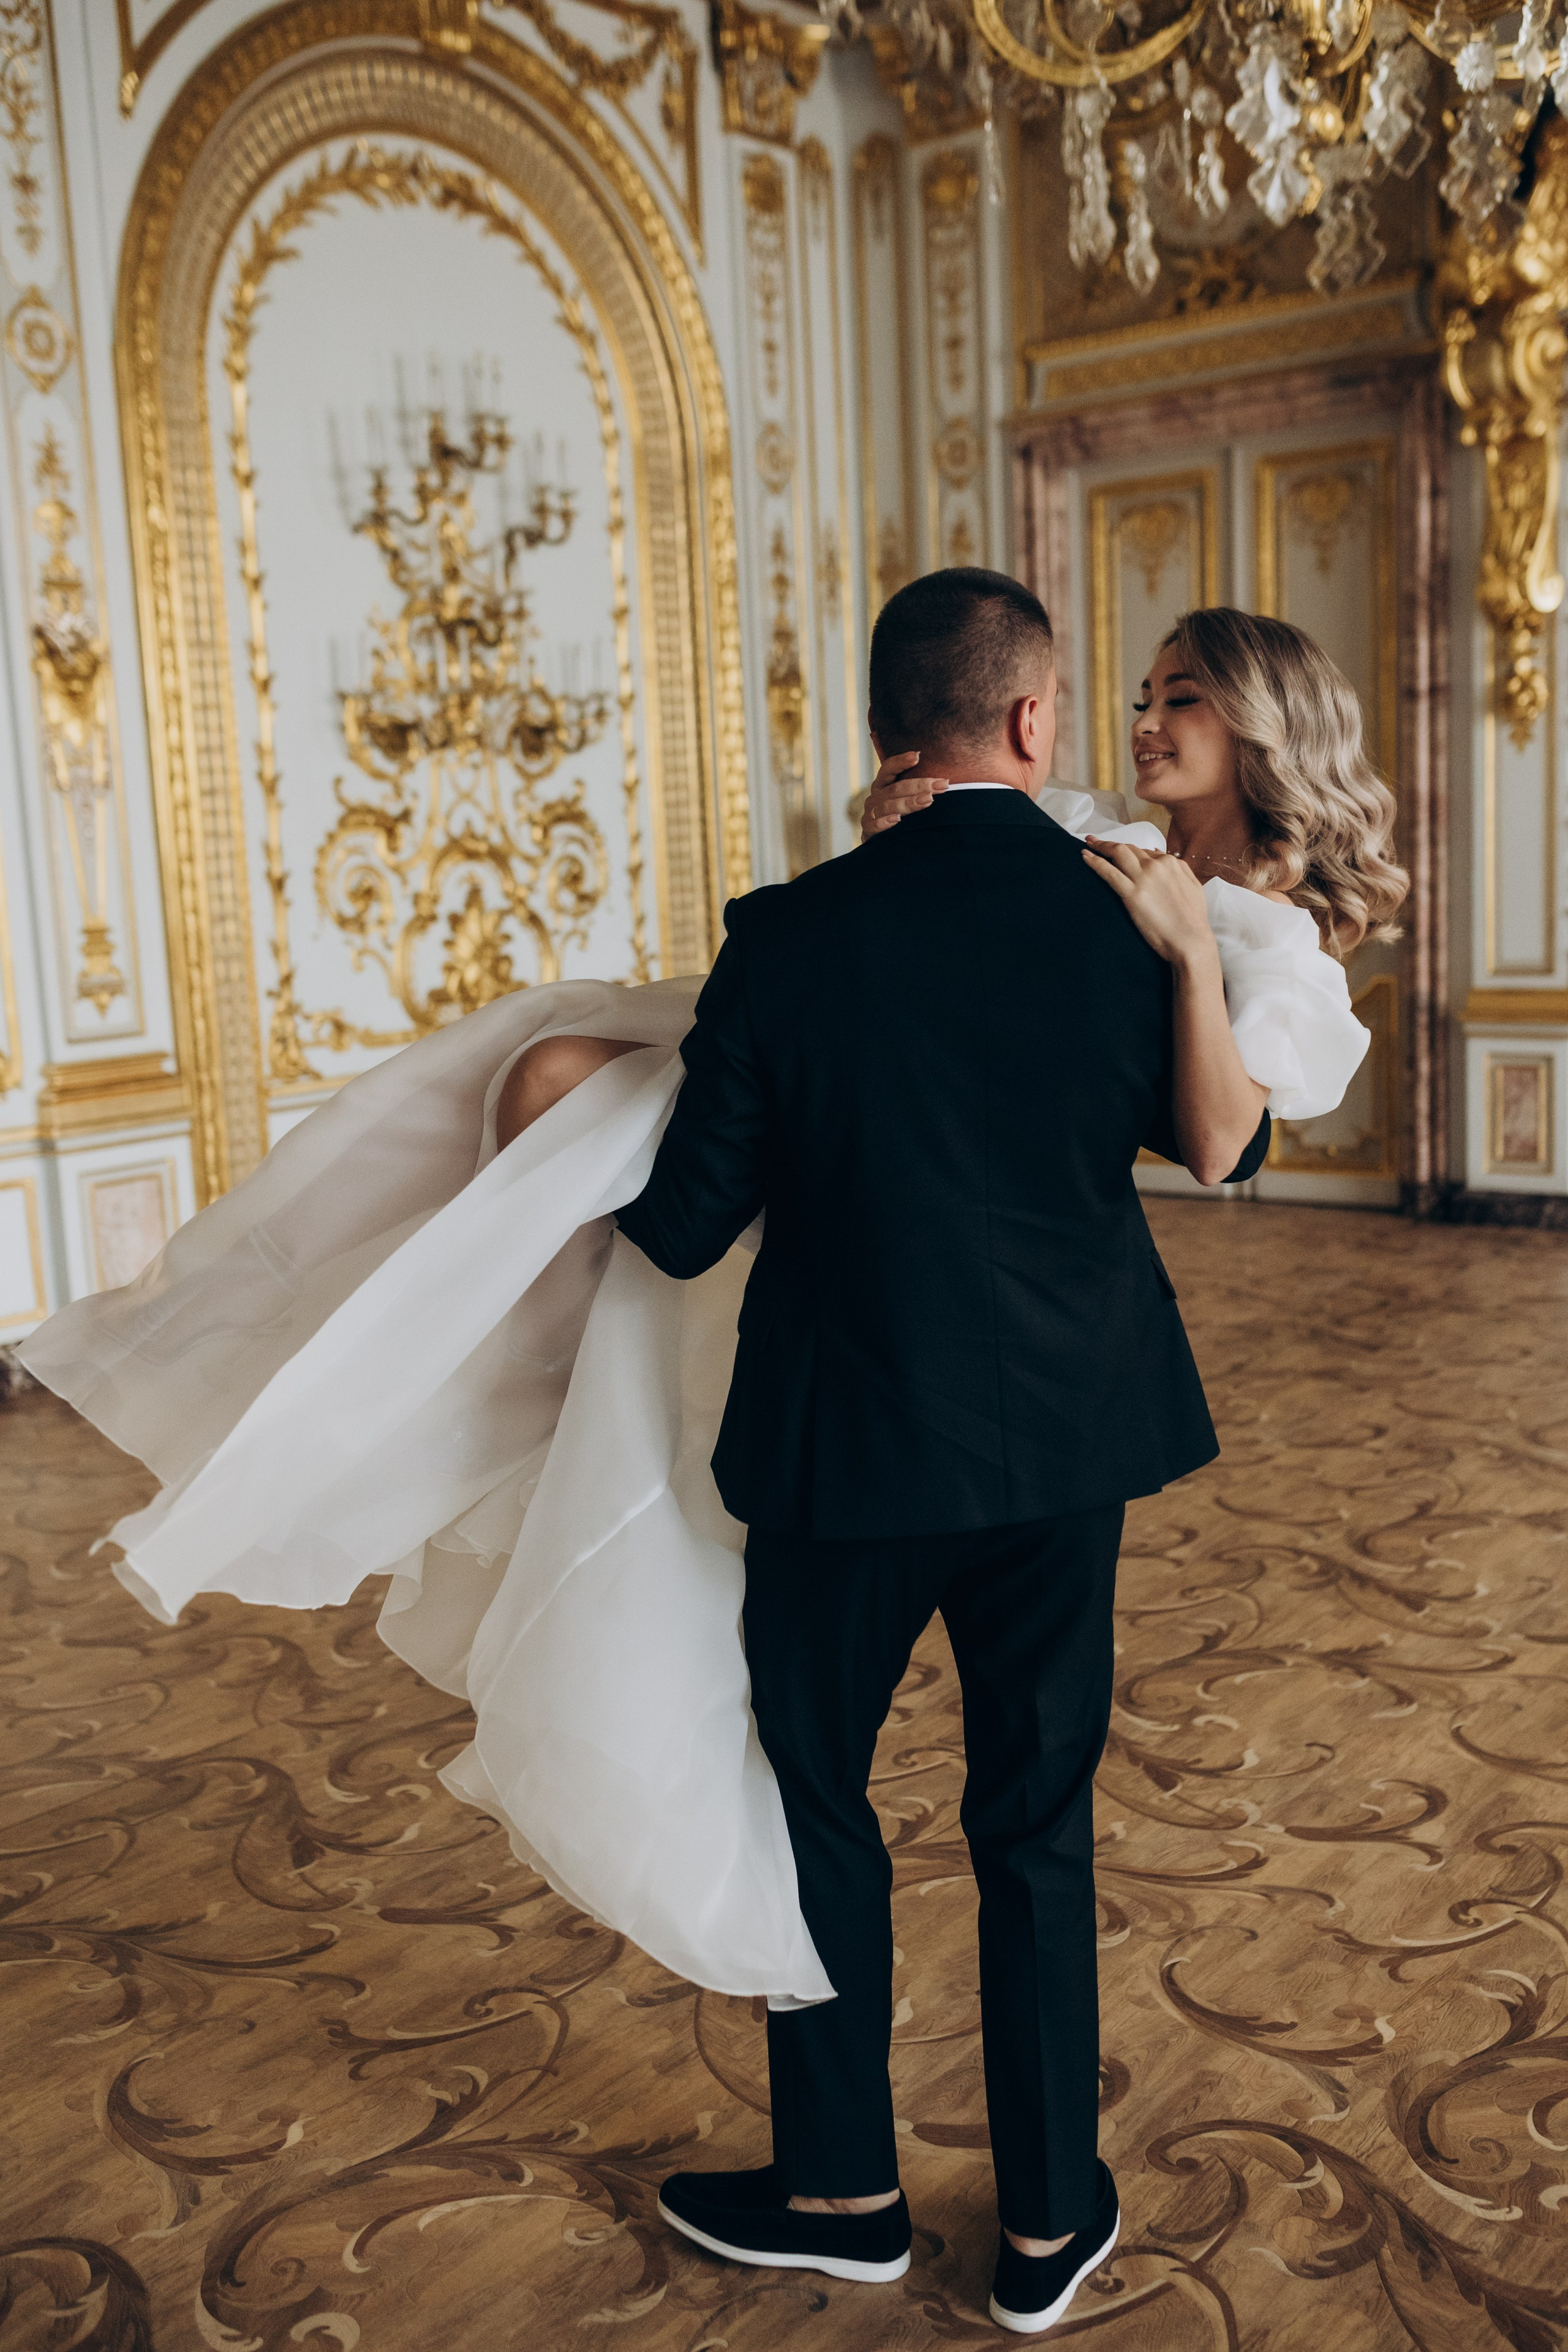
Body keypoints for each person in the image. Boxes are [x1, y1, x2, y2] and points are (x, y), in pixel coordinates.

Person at [15, 579, 1391, 2342]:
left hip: (845, 1444)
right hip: (1067, 1439)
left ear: (886, 732)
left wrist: (566, 1147)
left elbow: (680, 1226)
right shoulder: (1130, 913)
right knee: (1036, 1825)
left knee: (816, 1804)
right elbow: (1207, 1146)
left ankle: (841, 2193)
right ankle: (1053, 2221)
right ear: (1032, 722)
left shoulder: (795, 935)